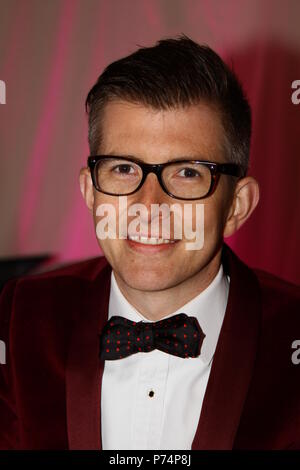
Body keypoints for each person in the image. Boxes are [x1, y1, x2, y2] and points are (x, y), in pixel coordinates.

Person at [0, 35, 299, 450]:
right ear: (90, 191)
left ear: (237, 205)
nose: (149, 206)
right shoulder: (18, 319)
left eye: (188, 173)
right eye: (123, 168)